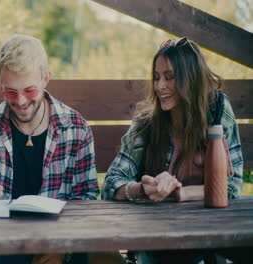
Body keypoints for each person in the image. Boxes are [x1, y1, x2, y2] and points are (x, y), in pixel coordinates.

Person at [0, 34, 122, 264]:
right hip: (0, 241)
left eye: (29, 90)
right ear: (0, 82)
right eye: (10, 91)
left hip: (60, 236)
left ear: (45, 79)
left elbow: (85, 198)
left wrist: (59, 245)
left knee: (108, 258)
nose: (20, 101)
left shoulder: (75, 127)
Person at [102, 37, 244, 263]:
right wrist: (142, 189)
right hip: (158, 240)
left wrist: (183, 194)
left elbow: (233, 185)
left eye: (170, 77)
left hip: (209, 238)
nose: (160, 87)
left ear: (190, 79)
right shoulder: (147, 124)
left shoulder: (217, 111)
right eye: (156, 78)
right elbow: (111, 183)